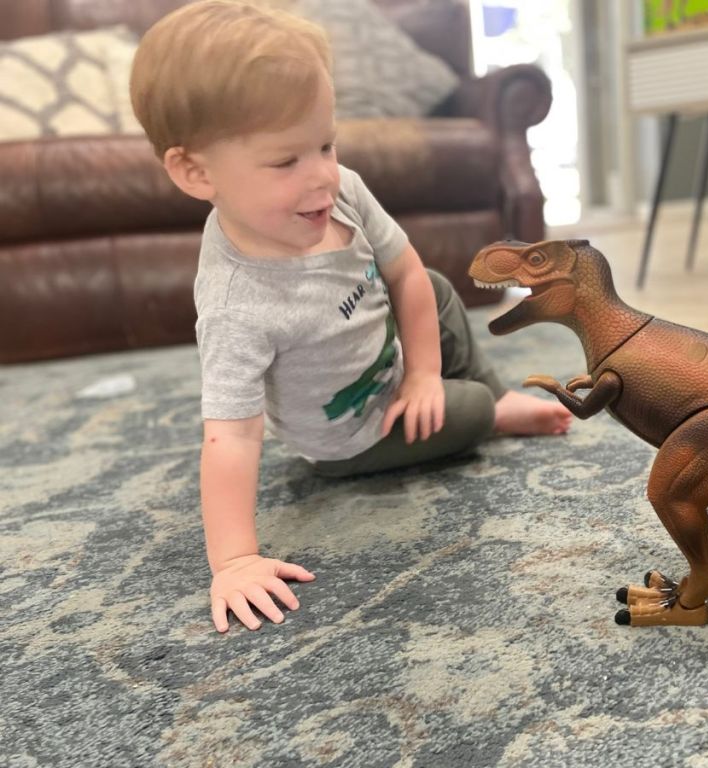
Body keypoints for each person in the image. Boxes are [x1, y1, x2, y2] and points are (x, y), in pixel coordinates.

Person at [129, 0, 572, 633]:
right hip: (355, 434)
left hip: (388, 357)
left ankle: (488, 391)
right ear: (195, 171)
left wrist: (421, 377)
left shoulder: (340, 191)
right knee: (468, 409)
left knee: (439, 289)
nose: (323, 177)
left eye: (327, 144)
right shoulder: (239, 305)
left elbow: (407, 274)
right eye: (286, 161)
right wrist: (233, 561)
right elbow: (231, 436)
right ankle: (489, 408)